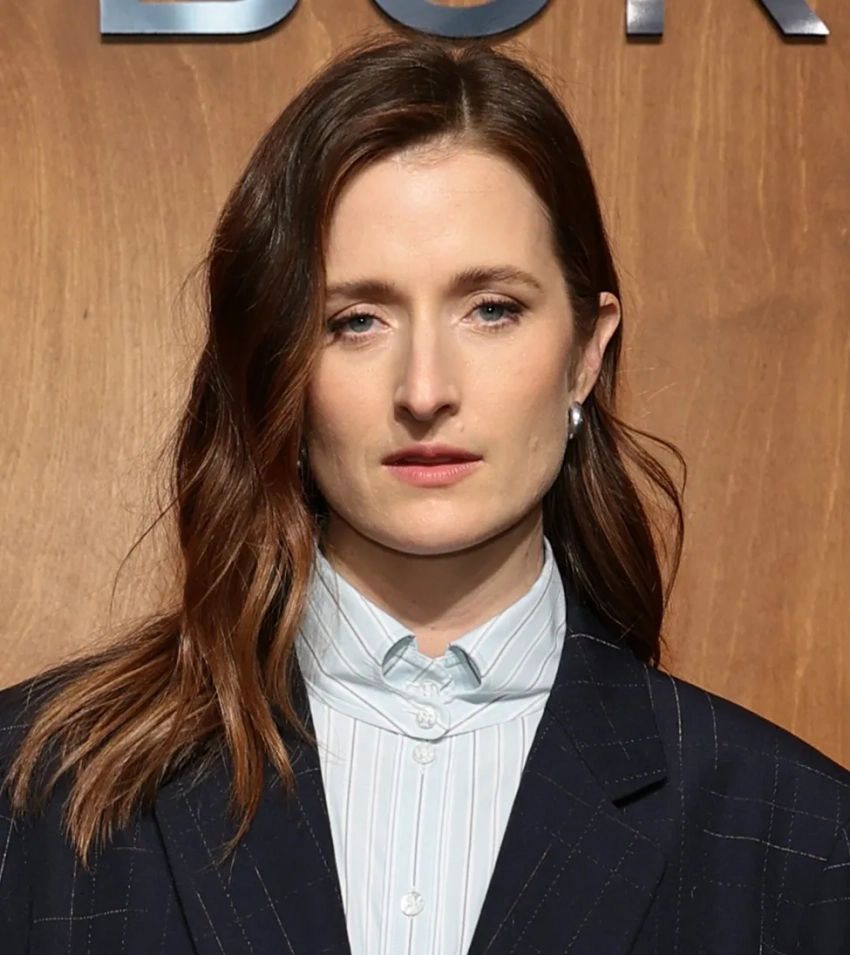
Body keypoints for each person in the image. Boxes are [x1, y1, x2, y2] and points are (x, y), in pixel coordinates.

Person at [1, 32, 848, 955]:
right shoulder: (33, 791)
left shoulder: (801, 838)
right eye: (356, 320)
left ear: (586, 352)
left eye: (492, 309)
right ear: (281, 363)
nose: (424, 389)